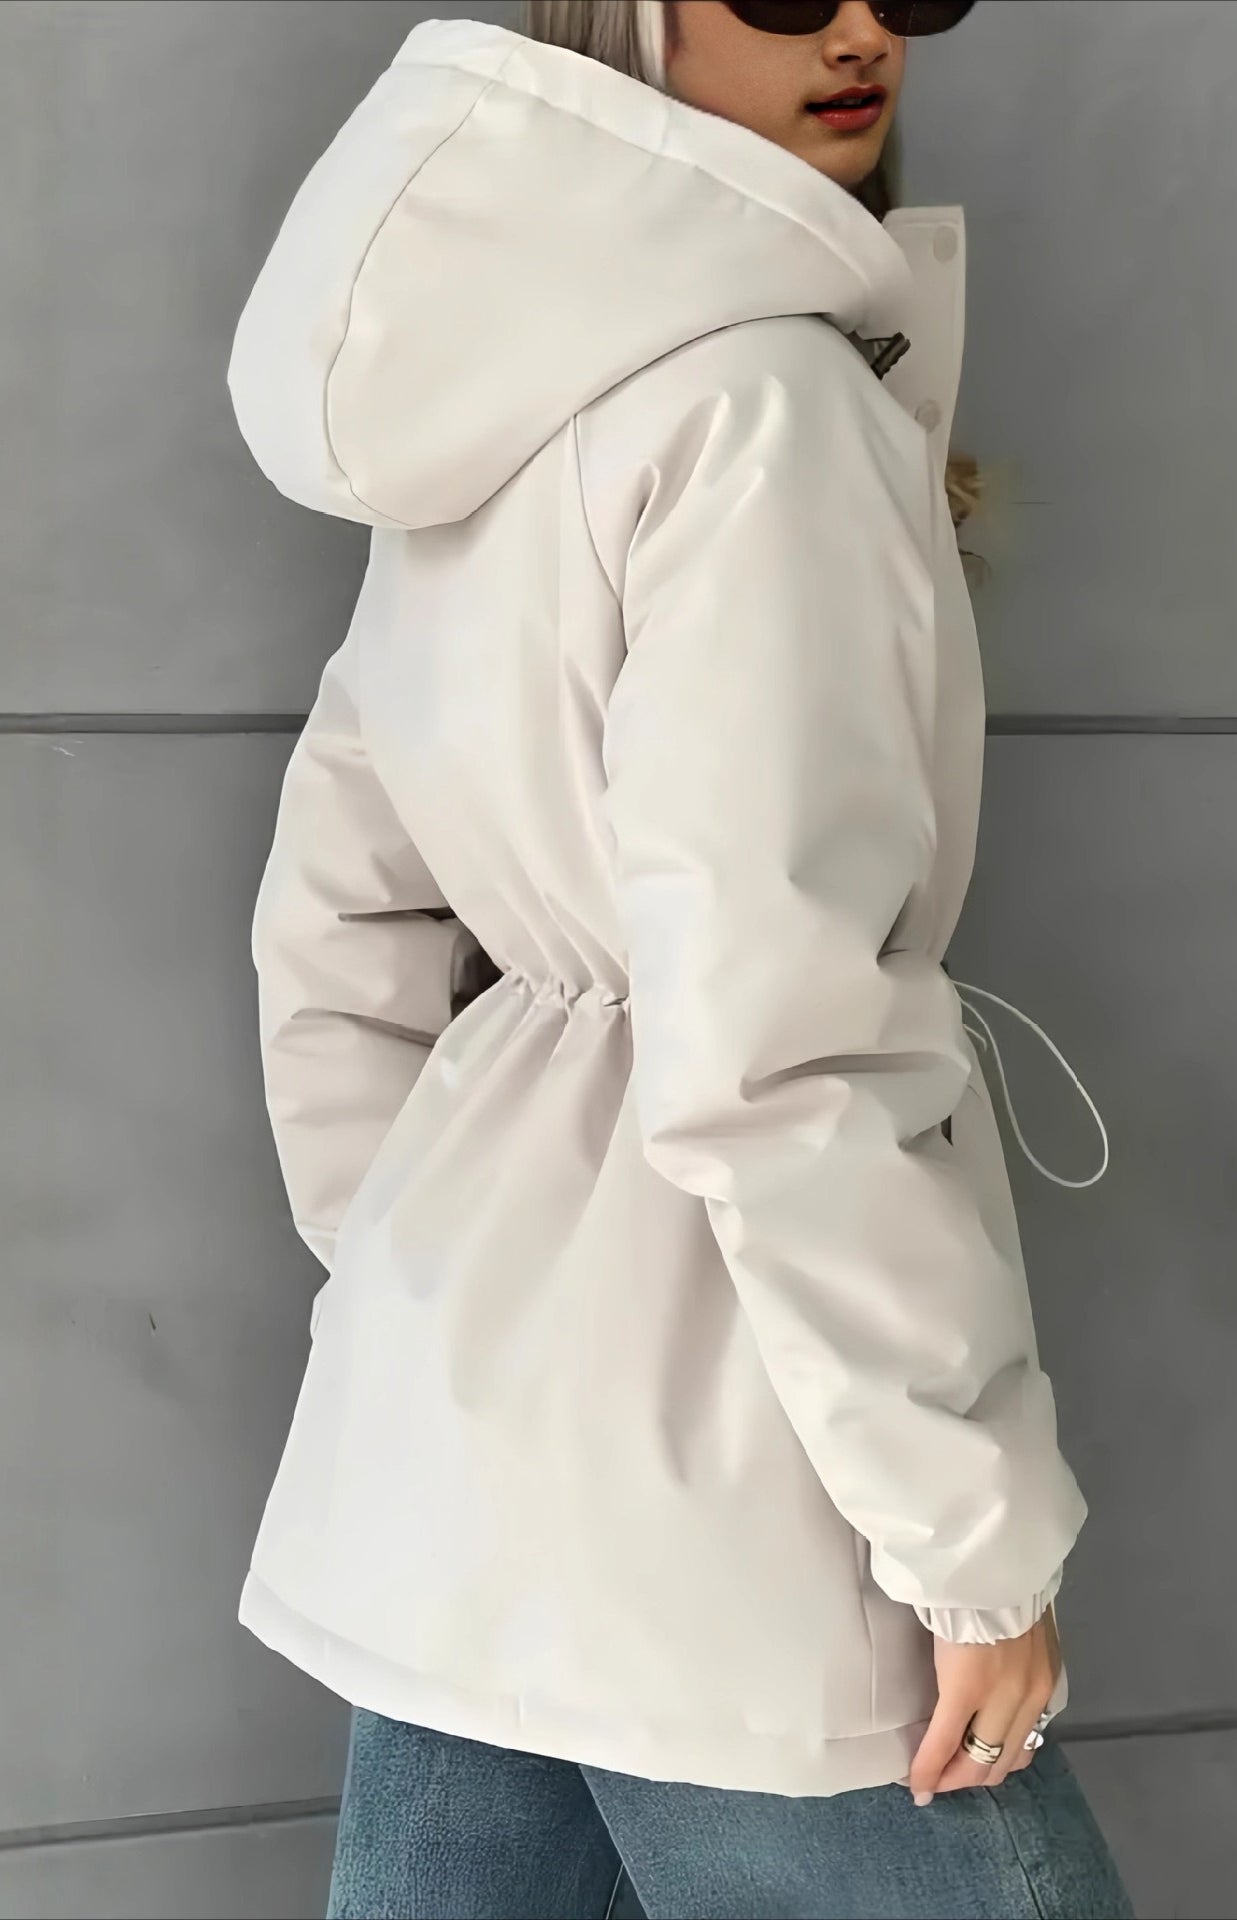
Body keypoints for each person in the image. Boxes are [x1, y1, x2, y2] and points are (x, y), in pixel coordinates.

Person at [225, 4, 1131, 1914]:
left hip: (456, 1467)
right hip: (741, 1482)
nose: (866, 25)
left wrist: (443, 1282)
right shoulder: (768, 411)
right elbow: (781, 1041)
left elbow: (334, 922)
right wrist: (971, 1552)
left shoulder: (495, 399)